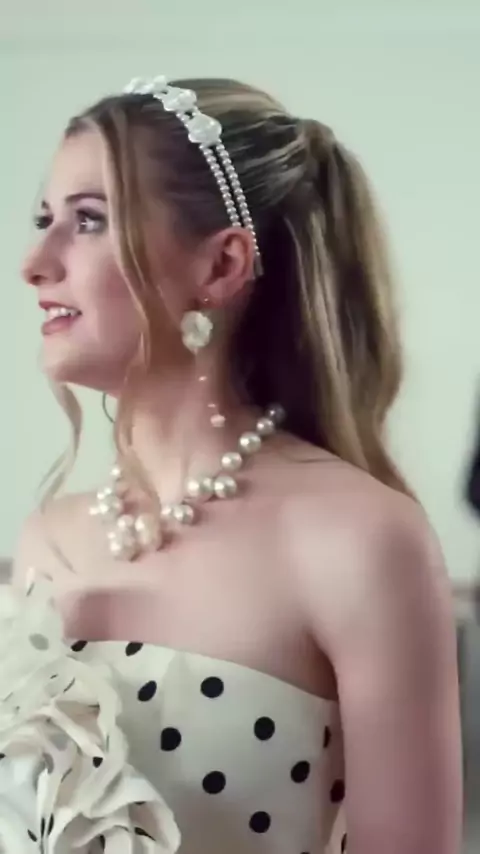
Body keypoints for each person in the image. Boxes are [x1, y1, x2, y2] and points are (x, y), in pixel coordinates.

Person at [5, 75, 461, 854]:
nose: (35, 263)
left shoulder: (360, 540)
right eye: (45, 219)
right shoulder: (47, 541)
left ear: (220, 267)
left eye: (89, 221)